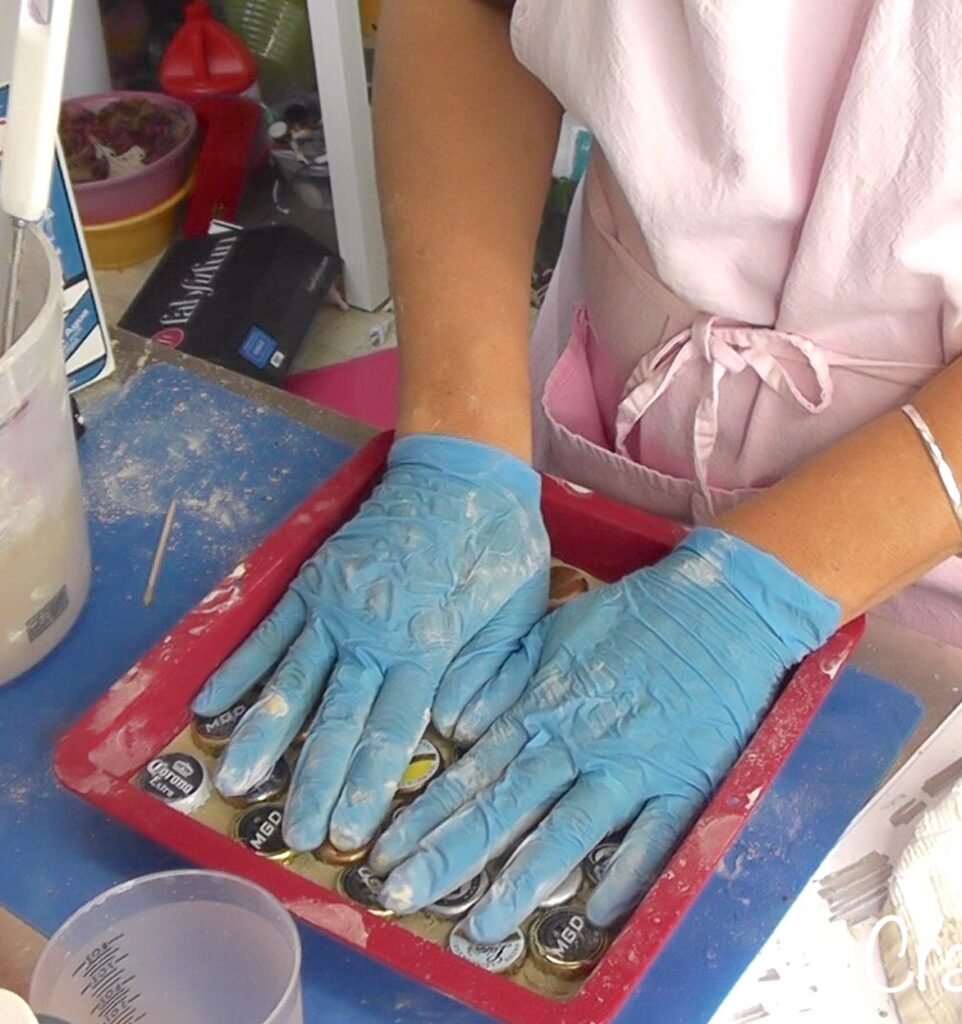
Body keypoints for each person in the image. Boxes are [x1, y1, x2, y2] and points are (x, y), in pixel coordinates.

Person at [193, 0, 962, 944]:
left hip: (927, 542)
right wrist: (460, 438)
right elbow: (466, 15)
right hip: (608, 414)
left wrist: (753, 601)